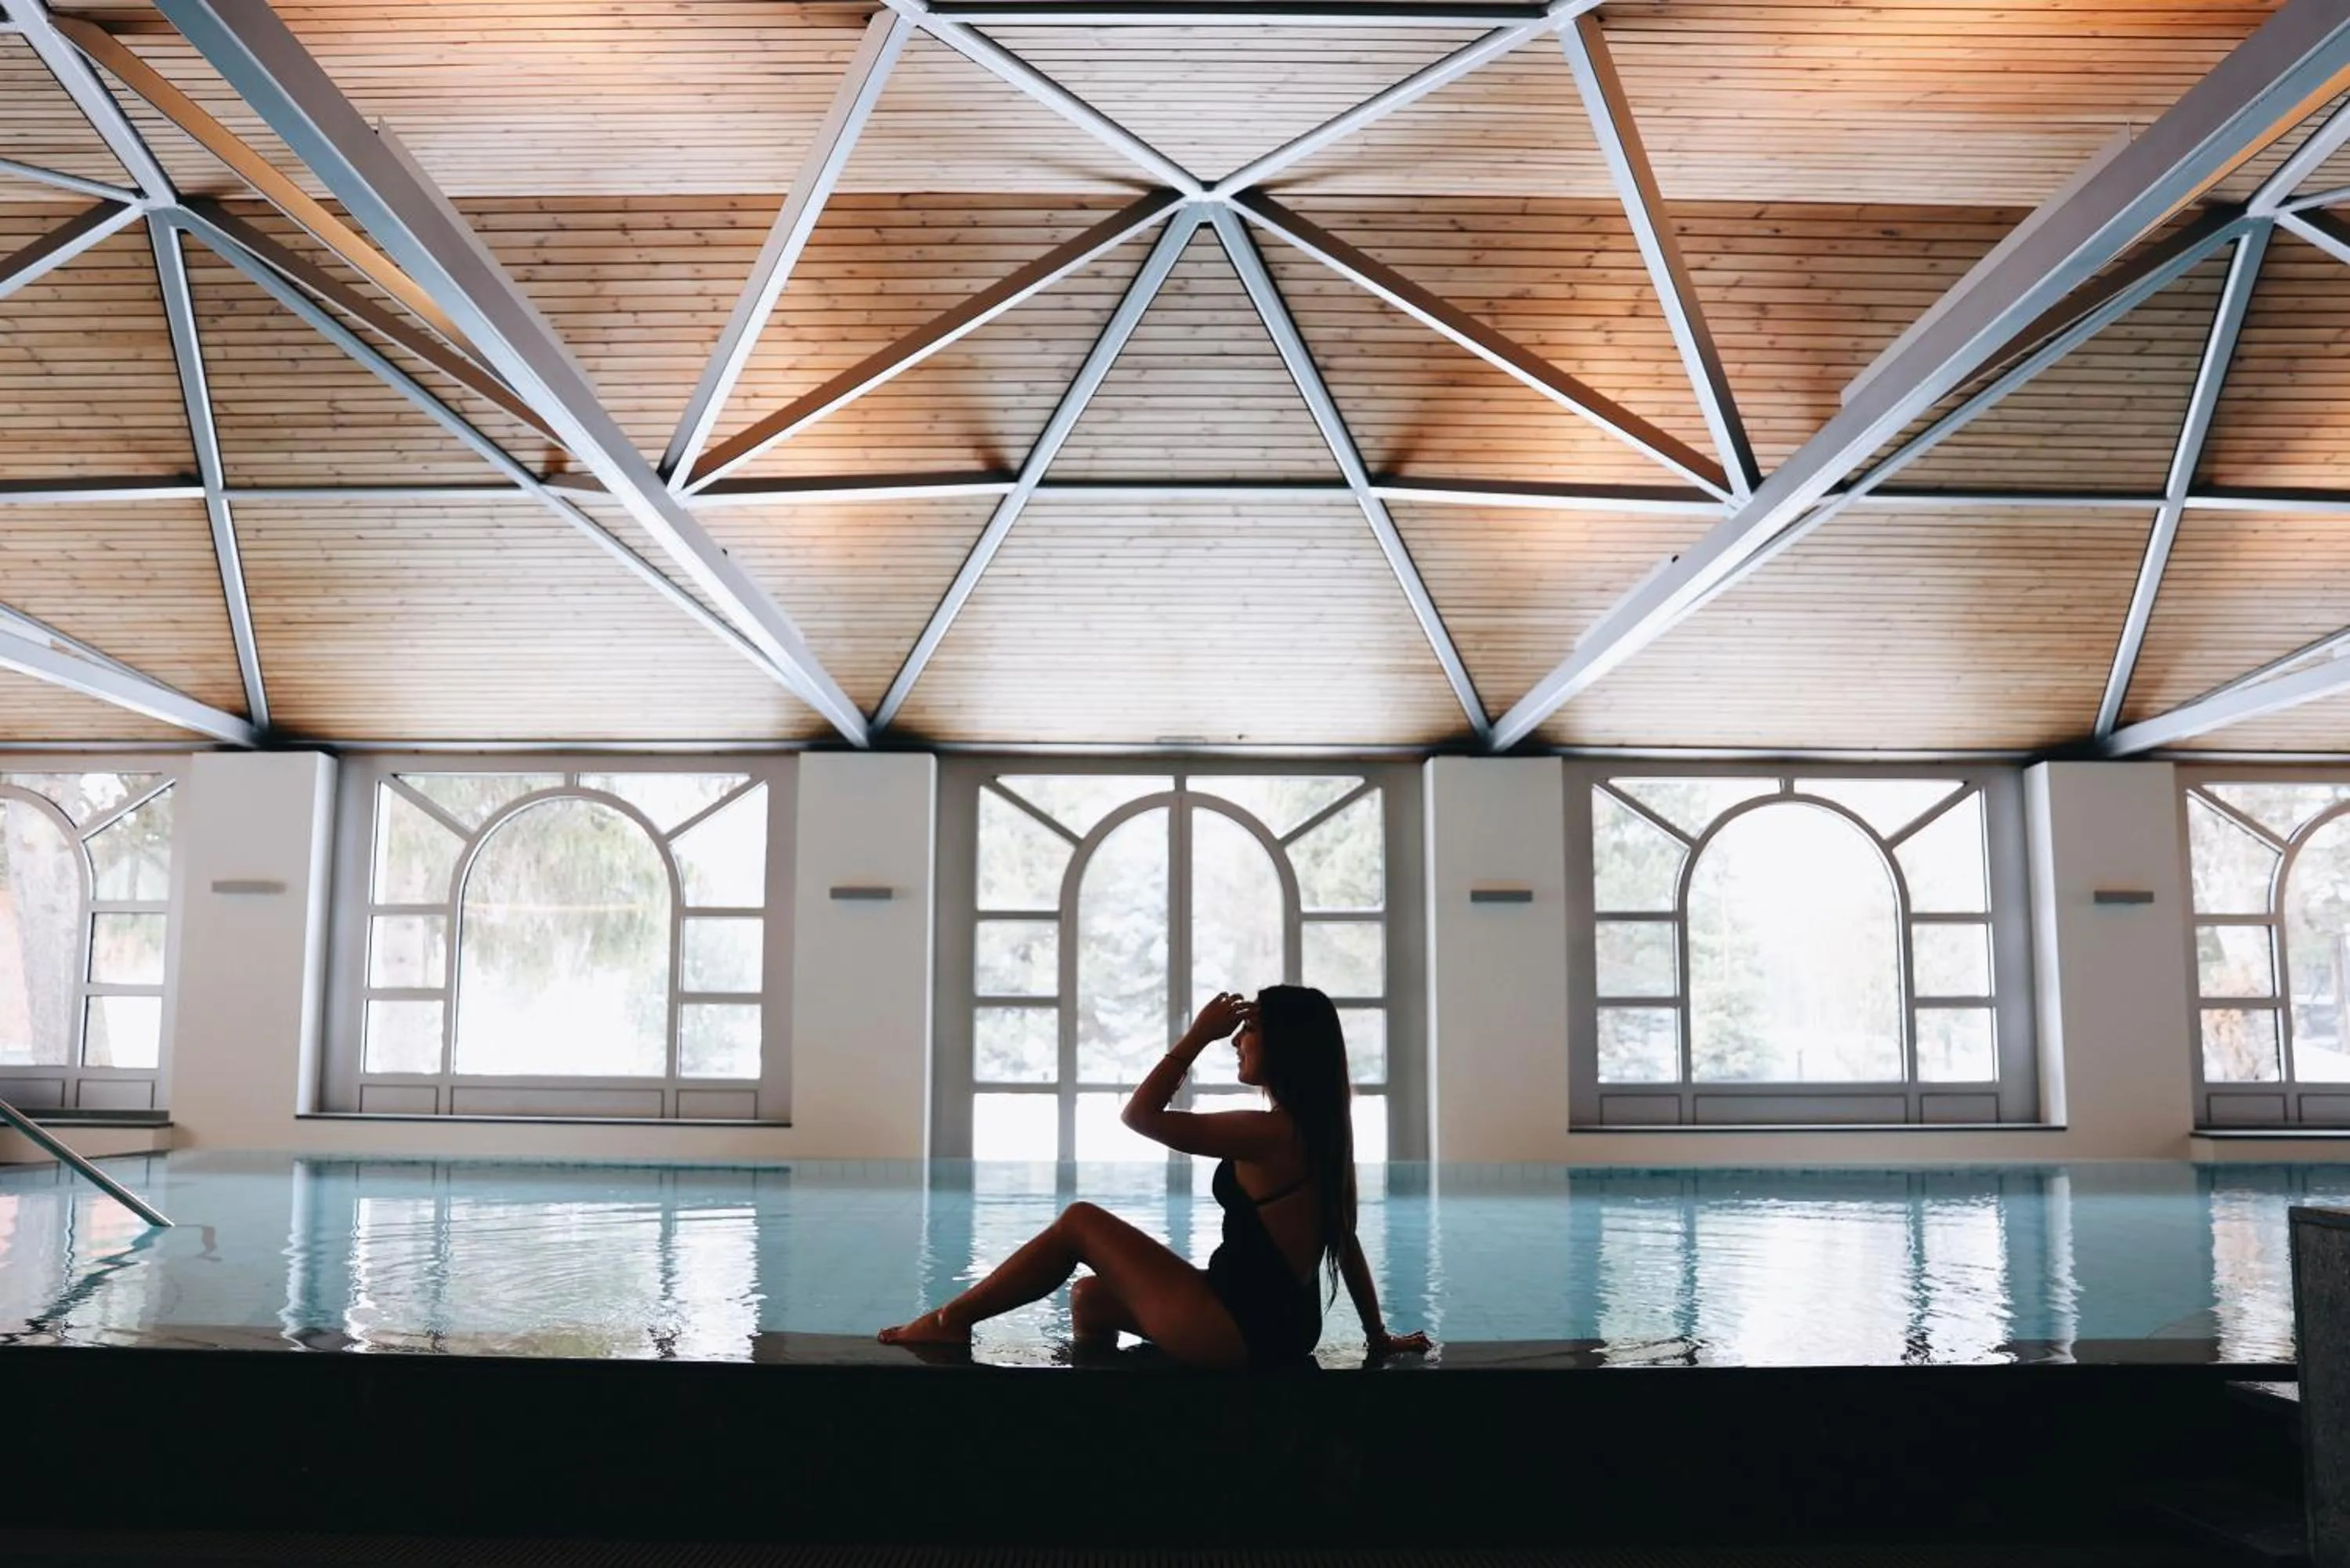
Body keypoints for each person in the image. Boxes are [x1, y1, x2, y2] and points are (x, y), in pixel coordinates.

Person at [879, 986, 1431, 1368]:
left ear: (1286, 1043)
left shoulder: (1269, 1133)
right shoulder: (1317, 1132)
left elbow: (1139, 1117)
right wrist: (1376, 1337)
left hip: (1239, 1331)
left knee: (1080, 1223)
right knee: (1092, 1298)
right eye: (1233, 1032)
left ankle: (952, 1318)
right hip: (1282, 1329)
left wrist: (1196, 1036)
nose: (1237, 1040)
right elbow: (1345, 1237)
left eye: (1248, 1030)